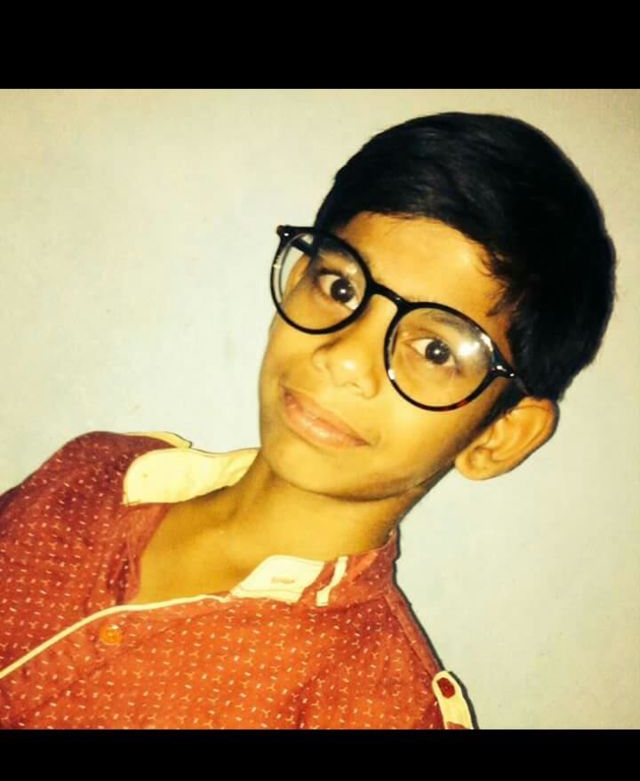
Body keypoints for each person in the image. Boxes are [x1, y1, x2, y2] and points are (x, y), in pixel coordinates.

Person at [0, 112, 616, 730]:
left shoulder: (377, 711)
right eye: (340, 287)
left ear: (498, 437)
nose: (343, 357)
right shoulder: (92, 471)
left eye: (435, 351)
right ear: (300, 277)